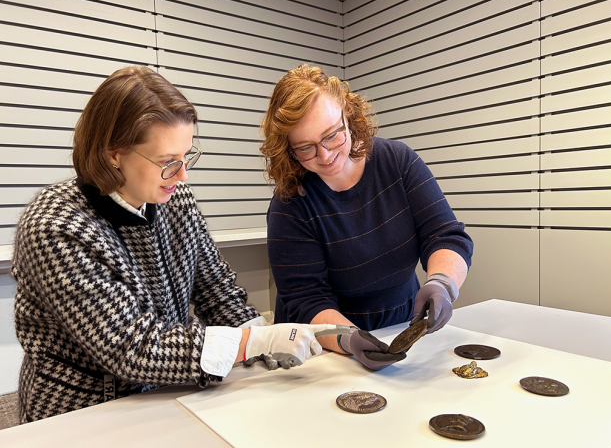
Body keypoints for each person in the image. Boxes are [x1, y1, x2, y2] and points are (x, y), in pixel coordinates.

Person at [12, 66, 337, 423]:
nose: (183, 176)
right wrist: (252, 344)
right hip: (79, 413)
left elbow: (217, 292)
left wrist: (262, 338)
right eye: (168, 162)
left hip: (166, 392)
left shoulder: (175, 200)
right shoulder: (55, 227)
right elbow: (131, 347)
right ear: (113, 154)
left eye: (187, 156)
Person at [260, 64, 474, 371]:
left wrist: (442, 283)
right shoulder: (290, 204)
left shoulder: (398, 163)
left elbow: (445, 234)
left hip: (399, 325)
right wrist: (349, 339)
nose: (325, 155)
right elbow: (306, 300)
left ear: (347, 114)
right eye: (305, 148)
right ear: (288, 150)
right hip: (323, 350)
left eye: (332, 135)